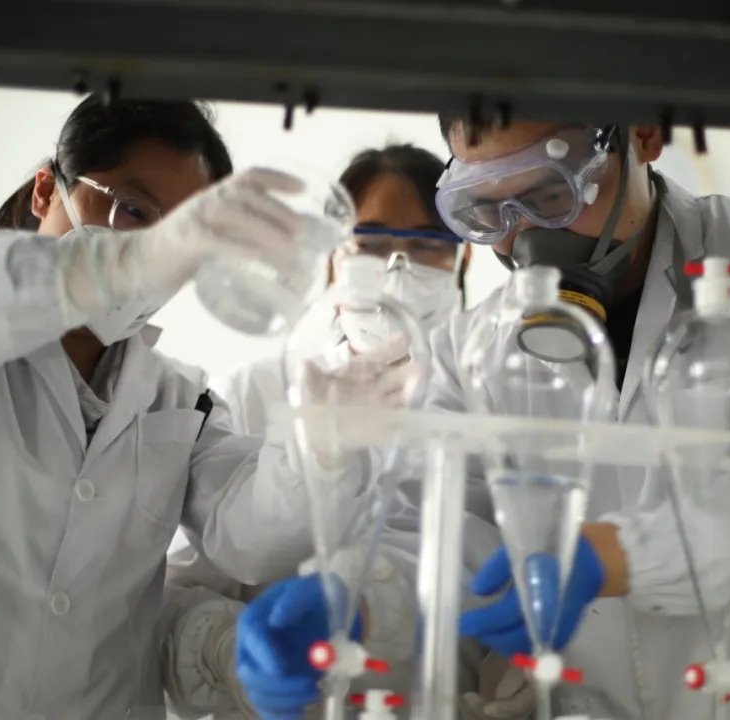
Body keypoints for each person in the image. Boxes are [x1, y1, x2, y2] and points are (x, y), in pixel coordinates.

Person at [234, 117, 730, 720]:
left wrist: (610, 555)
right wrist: (355, 600)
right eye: (488, 210)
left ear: (642, 136)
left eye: (551, 194)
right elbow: (444, 534)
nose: (523, 237)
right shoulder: (468, 349)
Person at [0, 94, 366, 720]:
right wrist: (105, 268)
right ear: (46, 190)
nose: (152, 247)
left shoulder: (180, 398)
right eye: (133, 211)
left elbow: (250, 538)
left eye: (182, 236)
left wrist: (324, 443)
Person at [160, 143, 498, 720]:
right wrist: (225, 650)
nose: (398, 266)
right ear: (333, 257)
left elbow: (511, 567)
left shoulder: (492, 397)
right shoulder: (259, 391)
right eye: (371, 244)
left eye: (426, 244)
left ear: (463, 257)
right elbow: (180, 582)